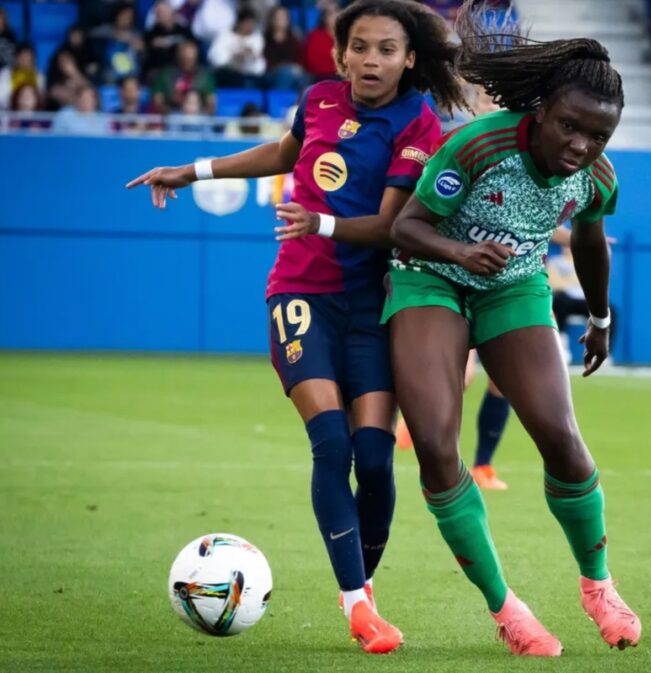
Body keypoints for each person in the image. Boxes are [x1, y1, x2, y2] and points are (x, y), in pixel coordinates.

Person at [126, 0, 467, 654]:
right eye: (359, 47)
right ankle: (358, 607)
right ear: (341, 54)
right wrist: (191, 170)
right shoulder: (318, 101)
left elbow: (394, 225)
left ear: (410, 58)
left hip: (371, 305)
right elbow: (284, 152)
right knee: (332, 446)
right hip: (301, 292)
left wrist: (326, 223)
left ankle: (361, 587)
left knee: (375, 457)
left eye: (386, 49)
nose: (370, 59)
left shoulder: (418, 122)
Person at [382, 0, 640, 655]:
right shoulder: (481, 142)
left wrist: (602, 318)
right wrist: (462, 252)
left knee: (561, 434)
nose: (581, 146)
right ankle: (509, 609)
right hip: (430, 276)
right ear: (542, 110)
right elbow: (405, 225)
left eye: (598, 137)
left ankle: (599, 585)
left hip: (512, 285)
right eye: (570, 127)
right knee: (438, 445)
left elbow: (590, 241)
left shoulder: (595, 178)